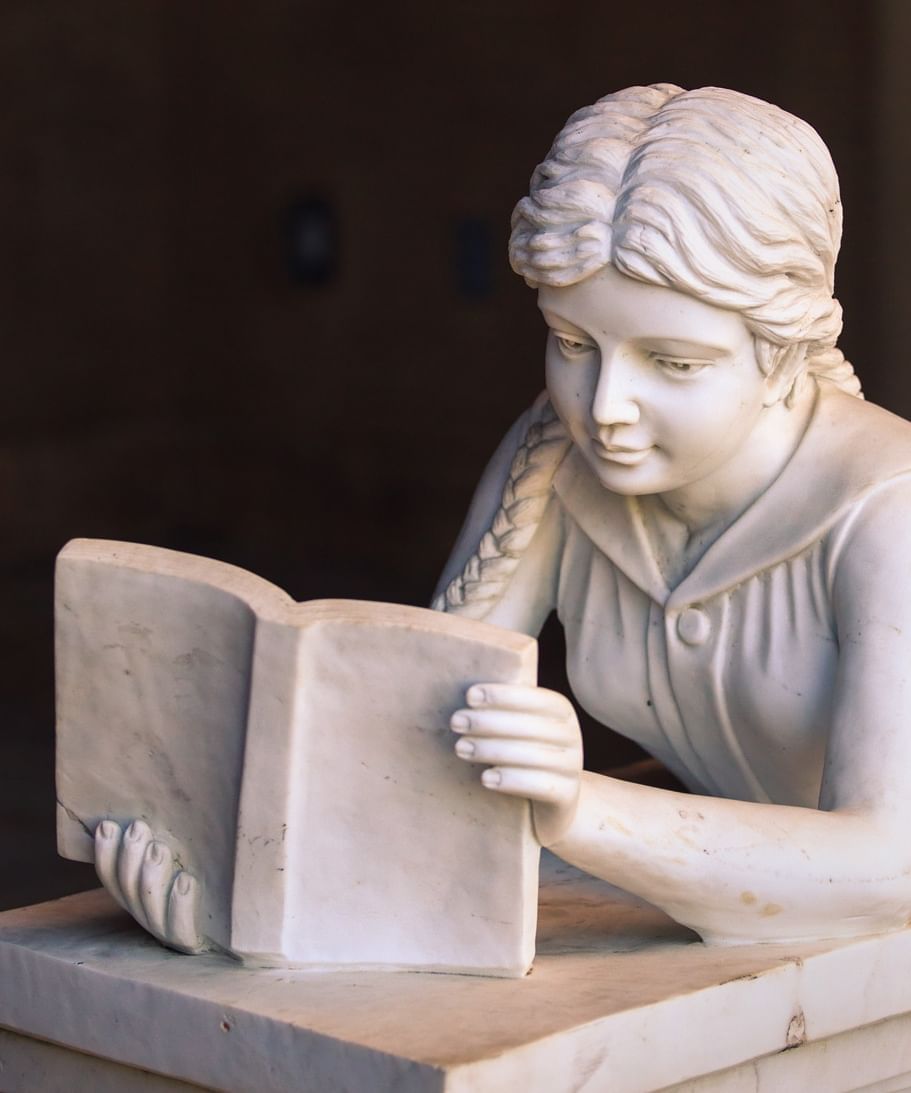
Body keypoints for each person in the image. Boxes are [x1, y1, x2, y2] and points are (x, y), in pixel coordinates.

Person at [436, 83, 911, 944]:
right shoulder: (553, 459)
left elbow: (890, 866)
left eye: (672, 361)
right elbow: (415, 732)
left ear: (781, 357)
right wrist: (223, 883)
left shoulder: (886, 512)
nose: (605, 406)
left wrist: (580, 805)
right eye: (574, 345)